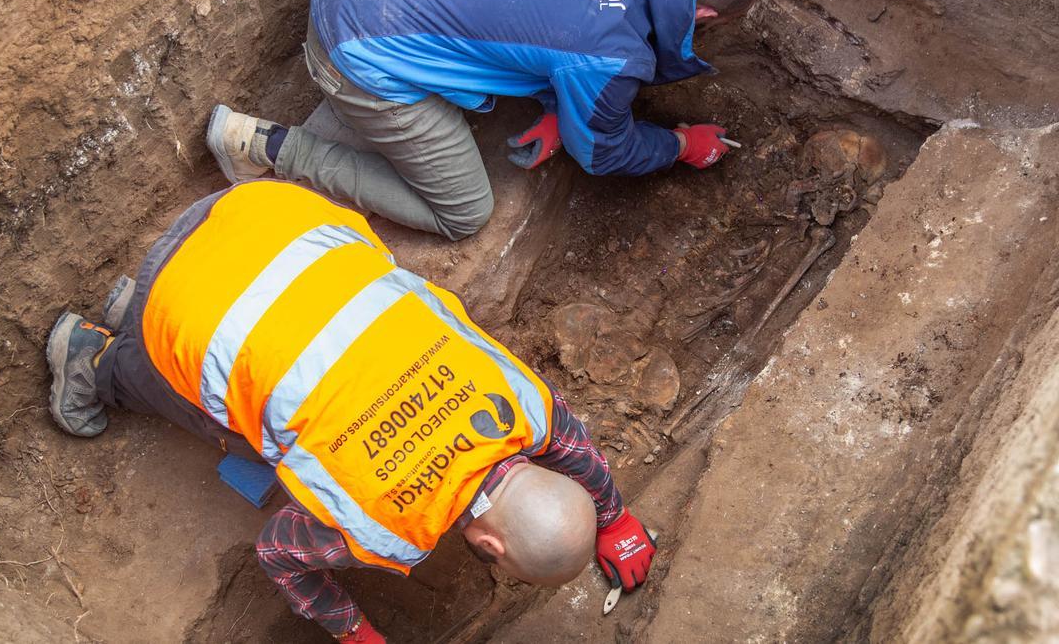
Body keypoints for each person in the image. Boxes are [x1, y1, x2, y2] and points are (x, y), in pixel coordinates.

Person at [45, 180, 658, 642]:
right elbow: (279, 552)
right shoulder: (381, 530)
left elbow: (572, 441)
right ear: (492, 548)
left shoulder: (519, 406)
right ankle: (90, 359)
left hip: (264, 213)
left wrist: (613, 514)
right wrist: (354, 633)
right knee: (231, 424)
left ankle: (141, 303)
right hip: (187, 296)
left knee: (291, 371)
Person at [204, 0, 761, 241]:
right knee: (464, 215)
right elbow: (604, 153)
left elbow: (540, 6)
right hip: (351, 48)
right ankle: (266, 146)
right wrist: (682, 145)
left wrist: (554, 100)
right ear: (705, 15)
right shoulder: (609, 56)